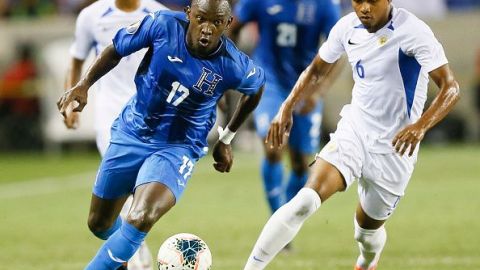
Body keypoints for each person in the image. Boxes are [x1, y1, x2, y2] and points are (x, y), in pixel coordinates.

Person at [243, 0, 460, 269]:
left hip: (395, 149)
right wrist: (286, 106)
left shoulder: (413, 31)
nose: (364, 8)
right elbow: (316, 69)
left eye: (372, 1)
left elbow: (450, 88)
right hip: (355, 131)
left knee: (366, 233)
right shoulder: (346, 27)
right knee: (304, 202)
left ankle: (367, 261)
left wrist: (420, 126)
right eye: (358, 1)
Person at [57, 0, 265, 269]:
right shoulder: (162, 24)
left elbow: (255, 89)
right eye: (201, 18)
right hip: (132, 130)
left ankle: (122, 247)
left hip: (178, 146)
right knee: (99, 223)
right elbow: (115, 49)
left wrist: (226, 138)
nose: (207, 29)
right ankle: (128, 249)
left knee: (140, 216)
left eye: (216, 23)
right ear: (188, 13)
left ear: (228, 24)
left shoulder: (234, 64)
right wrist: (84, 85)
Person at [64, 1, 167, 269]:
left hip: (150, 113)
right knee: (122, 194)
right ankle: (133, 250)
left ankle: (131, 247)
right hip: (110, 114)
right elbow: (76, 60)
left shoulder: (159, 15)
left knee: (141, 191)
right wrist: (71, 99)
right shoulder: (91, 16)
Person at [229, 0, 341, 220]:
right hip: (269, 83)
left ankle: (286, 219)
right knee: (272, 146)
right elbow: (232, 28)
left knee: (300, 163)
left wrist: (318, 91)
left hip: (306, 85)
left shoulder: (325, 5)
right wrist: (235, 67)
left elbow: (339, 50)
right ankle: (277, 217)